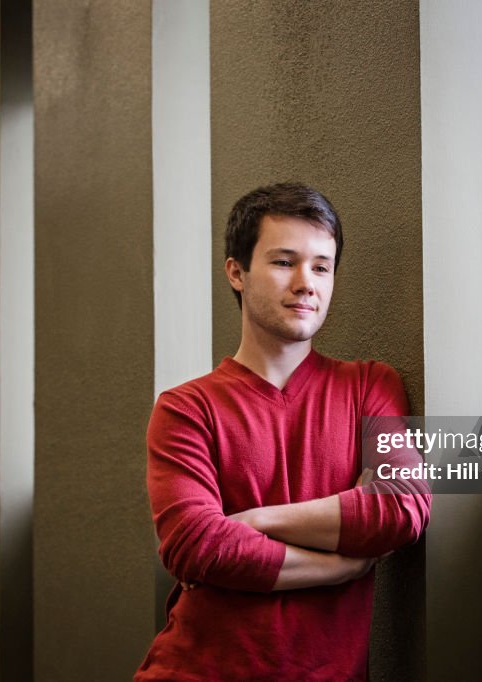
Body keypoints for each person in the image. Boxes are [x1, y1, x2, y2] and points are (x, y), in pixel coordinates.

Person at [134, 182, 431, 681]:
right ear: (237, 272)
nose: (305, 283)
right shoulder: (185, 408)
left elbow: (402, 507)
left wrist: (252, 522)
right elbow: (194, 545)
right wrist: (340, 566)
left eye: (321, 266)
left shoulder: (369, 387)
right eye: (283, 262)